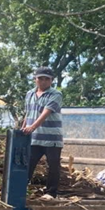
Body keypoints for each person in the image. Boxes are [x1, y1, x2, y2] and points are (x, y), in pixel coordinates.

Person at [22, 66, 63, 198]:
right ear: (35, 79)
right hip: (34, 138)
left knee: (53, 165)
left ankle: (51, 193)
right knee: (28, 164)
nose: (43, 81)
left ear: (51, 80)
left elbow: (46, 113)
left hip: (52, 138)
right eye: (40, 78)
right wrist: (23, 127)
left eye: (47, 79)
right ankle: (21, 189)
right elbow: (28, 113)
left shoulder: (55, 94)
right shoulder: (30, 94)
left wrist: (32, 127)